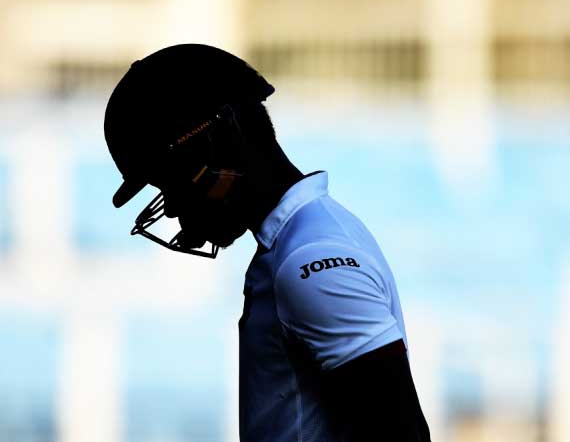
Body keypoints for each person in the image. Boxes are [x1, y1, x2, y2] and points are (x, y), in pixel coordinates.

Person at [104, 43, 432, 442]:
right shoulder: (298, 243)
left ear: (221, 140)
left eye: (169, 181)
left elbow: (401, 433)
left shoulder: (310, 262)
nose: (171, 208)